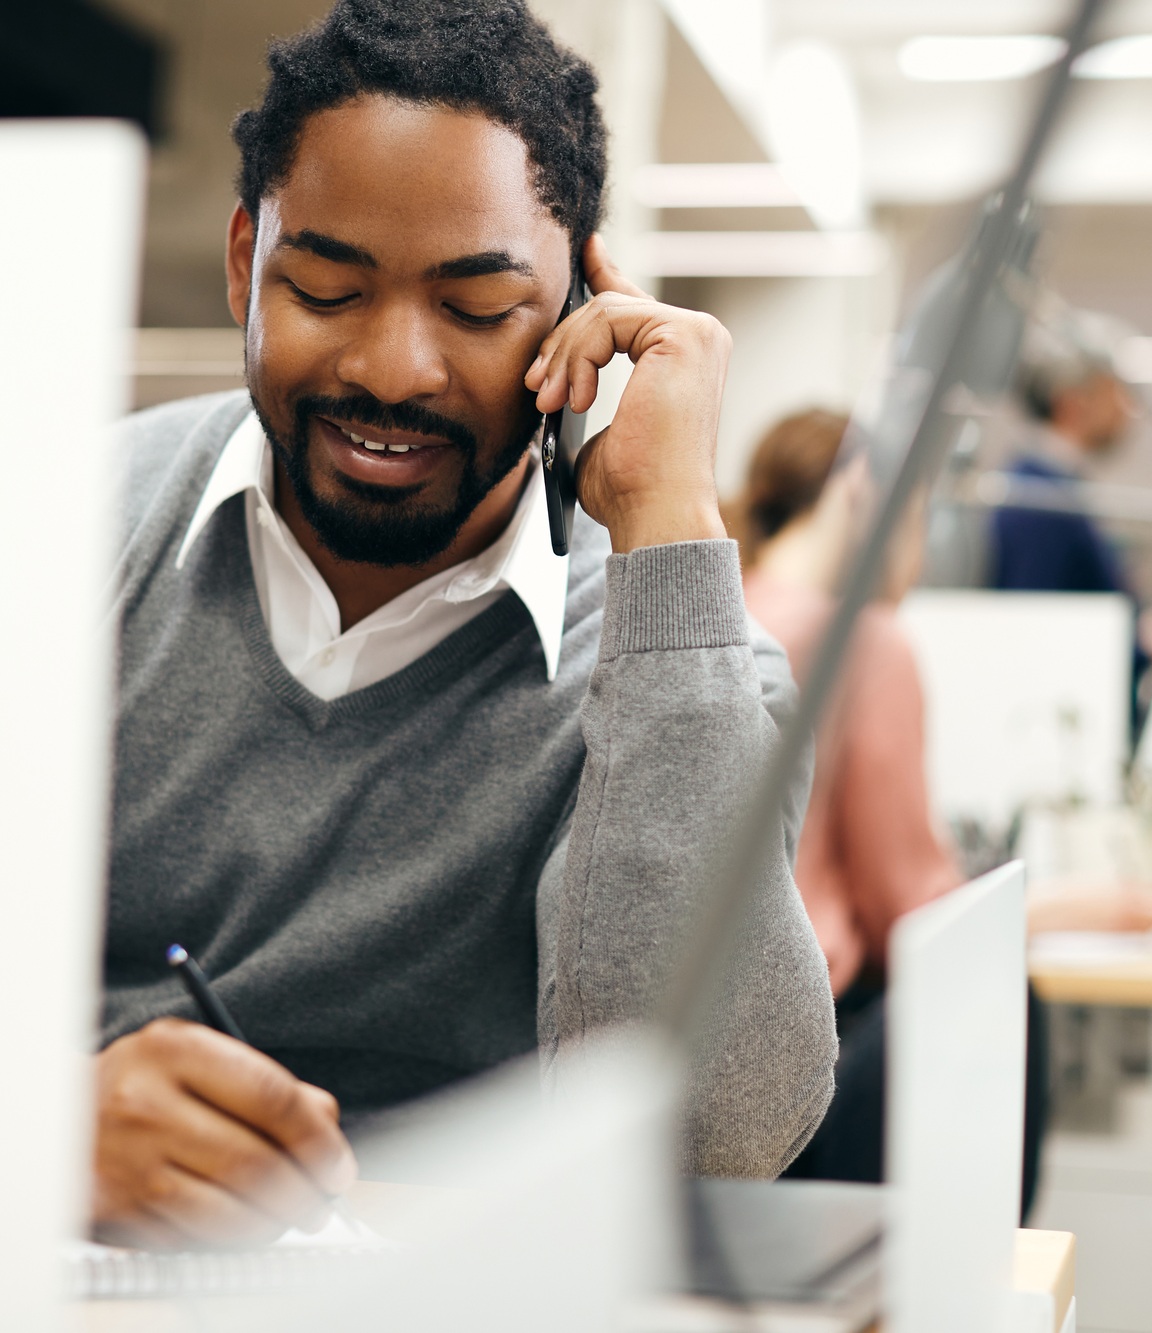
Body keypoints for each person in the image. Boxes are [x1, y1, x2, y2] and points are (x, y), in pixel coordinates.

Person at [93, 0, 835, 1249]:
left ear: (578, 299)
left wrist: (667, 519)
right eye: (325, 287)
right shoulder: (77, 531)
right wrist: (28, 1121)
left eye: (477, 310)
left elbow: (706, 1136)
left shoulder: (677, 657)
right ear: (243, 265)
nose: (393, 369)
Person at [732, 409, 1152, 1211]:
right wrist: (1084, 903)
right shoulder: (864, 639)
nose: (924, 546)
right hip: (810, 1081)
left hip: (714, 1092)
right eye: (921, 511)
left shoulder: (718, 615)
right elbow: (918, 918)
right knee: (1007, 983)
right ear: (866, 491)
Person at [990, 301, 1137, 596]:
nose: (1127, 409)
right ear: (1072, 402)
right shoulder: (1038, 499)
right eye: (1114, 393)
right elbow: (1035, 616)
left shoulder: (1054, 486)